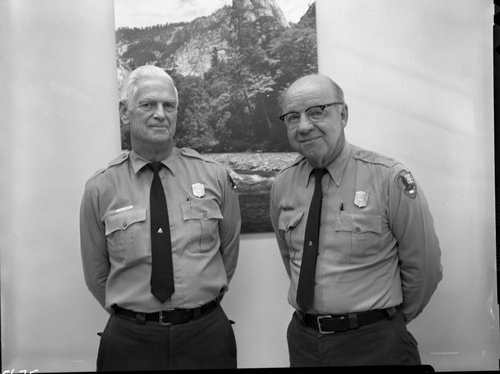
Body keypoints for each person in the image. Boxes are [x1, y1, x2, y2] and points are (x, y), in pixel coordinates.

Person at [270, 74, 442, 367]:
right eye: (292, 117)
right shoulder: (282, 185)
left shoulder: (388, 177)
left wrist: (385, 322)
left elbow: (424, 268)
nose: (304, 126)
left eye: (317, 111)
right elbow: (292, 260)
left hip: (375, 344)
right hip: (304, 342)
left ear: (344, 114)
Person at [80, 65, 241, 371]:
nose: (160, 114)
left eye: (169, 106)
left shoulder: (215, 177)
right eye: (148, 104)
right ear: (125, 113)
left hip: (205, 335)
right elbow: (96, 274)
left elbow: (228, 253)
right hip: (130, 341)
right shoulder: (100, 188)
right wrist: (138, 316)